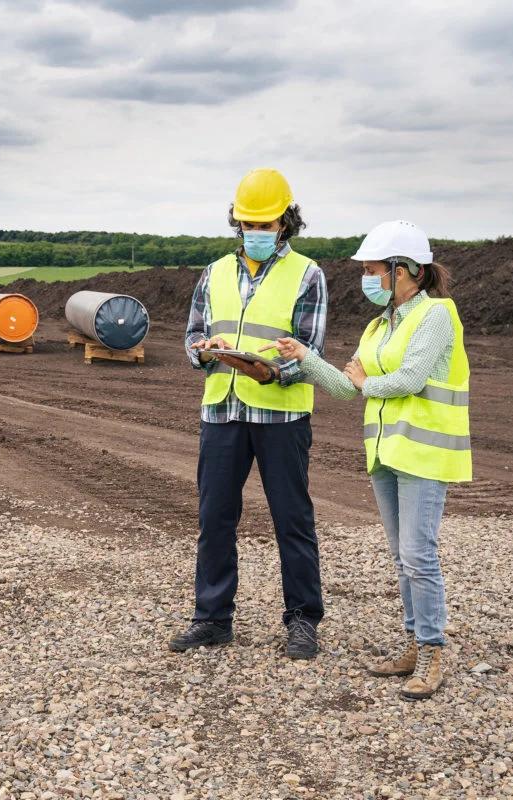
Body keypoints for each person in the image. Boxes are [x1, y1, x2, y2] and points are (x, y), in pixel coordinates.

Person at [273, 220, 471, 699]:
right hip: (386, 452)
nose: (367, 277)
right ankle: (412, 644)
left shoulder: (438, 316)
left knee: (419, 555)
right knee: (403, 558)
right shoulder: (378, 325)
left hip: (424, 452)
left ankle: (432, 651)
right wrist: (305, 356)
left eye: (373, 268)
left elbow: (408, 379)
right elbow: (346, 386)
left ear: (407, 271)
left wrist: (365, 382)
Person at [170, 168, 328, 659]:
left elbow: (309, 349)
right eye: (249, 224)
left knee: (292, 519)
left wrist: (272, 370)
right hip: (222, 411)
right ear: (237, 223)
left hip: (281, 418)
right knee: (214, 516)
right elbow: (193, 335)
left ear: (286, 221)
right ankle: (213, 618)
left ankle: (303, 620)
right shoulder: (213, 272)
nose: (257, 233)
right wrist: (205, 350)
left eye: (267, 224)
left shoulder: (308, 274)